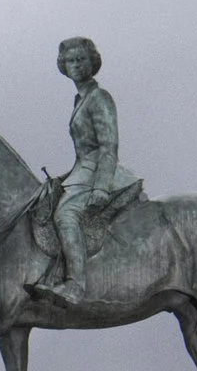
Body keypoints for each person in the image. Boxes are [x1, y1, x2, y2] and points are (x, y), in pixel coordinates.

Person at [34, 35, 137, 306]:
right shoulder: (80, 100)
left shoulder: (99, 97)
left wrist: (101, 186)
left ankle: (75, 285)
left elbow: (108, 146)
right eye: (70, 60)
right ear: (63, 66)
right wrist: (64, 179)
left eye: (81, 59)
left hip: (101, 173)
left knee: (66, 215)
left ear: (92, 63)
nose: (76, 65)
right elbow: (83, 154)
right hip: (83, 171)